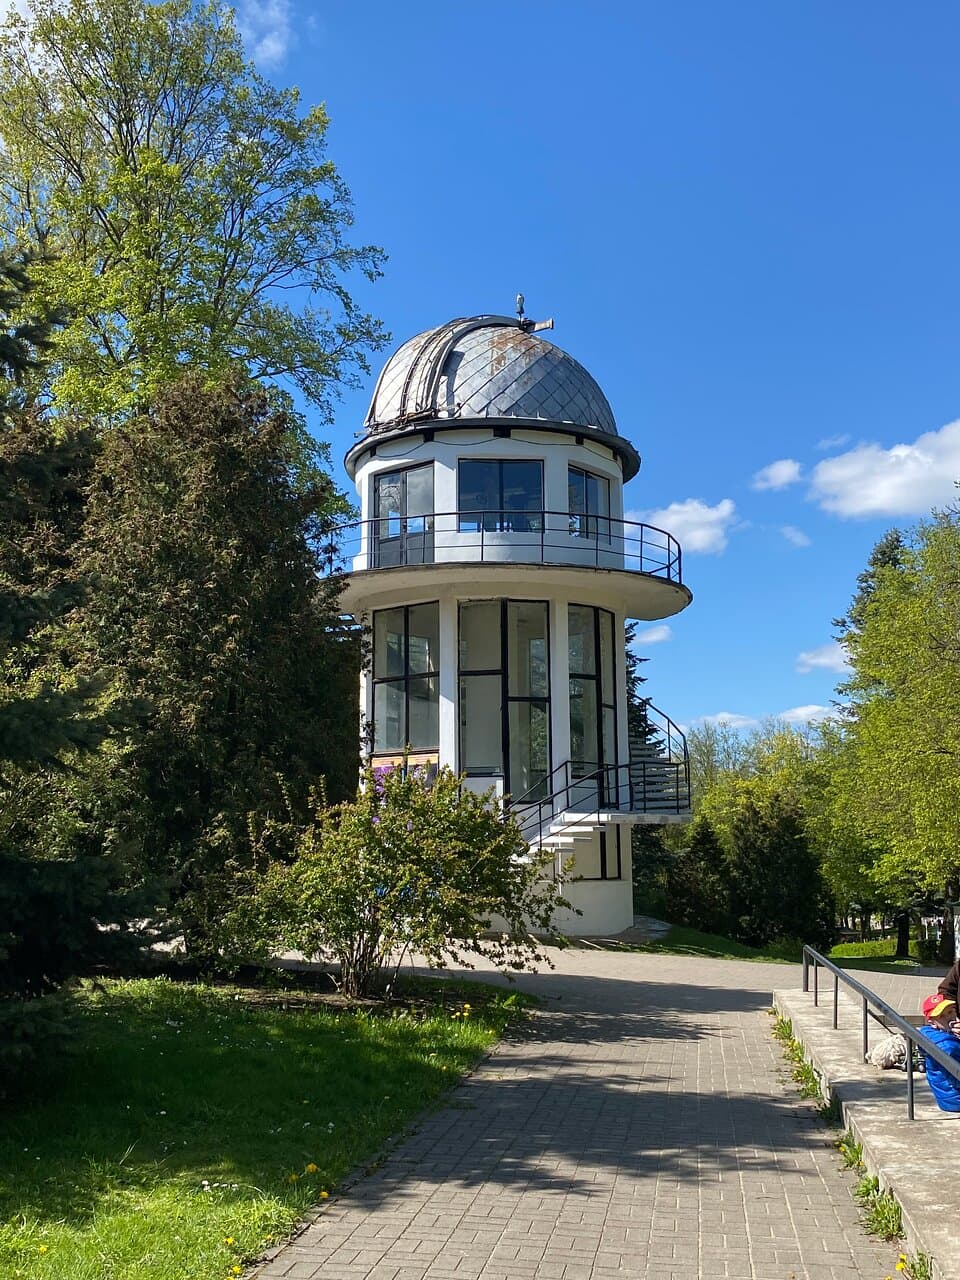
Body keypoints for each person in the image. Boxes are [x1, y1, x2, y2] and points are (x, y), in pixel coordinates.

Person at [918, 993, 960, 1113]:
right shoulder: (947, 1046)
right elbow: (956, 1077)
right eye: (942, 1016)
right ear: (932, 1022)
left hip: (947, 1097)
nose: (950, 1017)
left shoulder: (931, 1033)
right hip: (955, 1099)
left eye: (951, 1012)